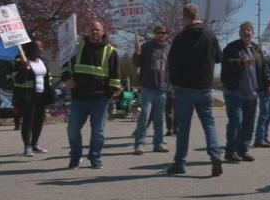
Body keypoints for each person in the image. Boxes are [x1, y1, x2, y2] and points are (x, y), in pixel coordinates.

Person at [166, 4, 223, 176]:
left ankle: (180, 163)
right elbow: (219, 57)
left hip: (184, 88)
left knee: (183, 128)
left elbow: (172, 63)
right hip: (204, 87)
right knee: (209, 124)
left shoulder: (180, 37)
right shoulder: (210, 34)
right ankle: (215, 154)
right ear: (198, 16)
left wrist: (173, 83)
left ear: (185, 17)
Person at [62, 20, 121, 170]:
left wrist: (110, 92)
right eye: (92, 29)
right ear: (87, 31)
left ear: (103, 32)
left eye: (97, 30)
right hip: (79, 97)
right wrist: (67, 79)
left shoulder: (111, 51)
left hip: (100, 99)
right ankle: (75, 158)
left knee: (98, 132)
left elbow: (115, 75)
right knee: (72, 129)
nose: (95, 32)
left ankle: (95, 157)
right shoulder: (76, 47)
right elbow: (65, 65)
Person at [221, 21, 270, 163]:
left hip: (252, 93)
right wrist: (241, 63)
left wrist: (269, 85)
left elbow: (264, 70)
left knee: (248, 124)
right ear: (240, 33)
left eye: (249, 30)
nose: (247, 32)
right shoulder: (232, 47)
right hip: (234, 92)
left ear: (253, 33)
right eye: (244, 30)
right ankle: (231, 152)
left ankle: (243, 150)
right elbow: (225, 62)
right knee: (236, 122)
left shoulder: (257, 49)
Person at [132, 26, 171, 155]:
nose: (161, 35)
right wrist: (137, 52)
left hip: (162, 87)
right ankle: (139, 144)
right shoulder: (147, 47)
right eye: (158, 32)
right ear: (154, 34)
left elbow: (172, 68)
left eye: (163, 33)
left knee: (159, 118)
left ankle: (158, 143)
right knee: (144, 115)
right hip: (148, 87)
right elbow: (137, 63)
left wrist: (171, 85)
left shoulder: (169, 48)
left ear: (166, 34)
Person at [13, 41, 54, 157]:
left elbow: (47, 78)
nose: (42, 48)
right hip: (28, 96)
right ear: (32, 49)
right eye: (39, 46)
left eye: (41, 46)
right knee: (28, 121)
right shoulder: (20, 61)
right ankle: (27, 147)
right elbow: (17, 80)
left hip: (41, 95)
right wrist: (24, 68)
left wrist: (50, 92)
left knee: (39, 120)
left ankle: (35, 144)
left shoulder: (43, 60)